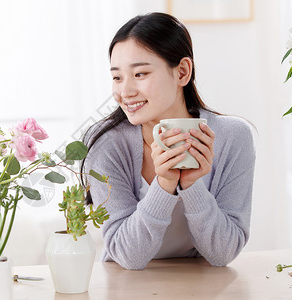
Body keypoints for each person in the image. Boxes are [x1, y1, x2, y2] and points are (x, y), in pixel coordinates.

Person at [81, 12, 255, 270]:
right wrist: (164, 185)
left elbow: (223, 253)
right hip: (125, 286)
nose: (125, 92)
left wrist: (192, 185)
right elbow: (127, 255)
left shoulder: (233, 137)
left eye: (140, 74)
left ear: (182, 72)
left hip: (202, 285)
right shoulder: (105, 143)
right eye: (117, 77)